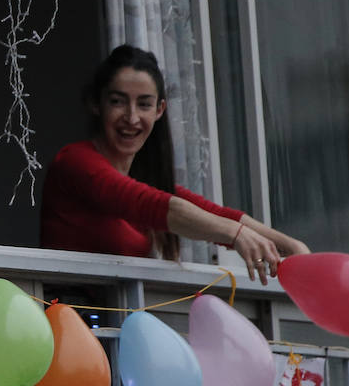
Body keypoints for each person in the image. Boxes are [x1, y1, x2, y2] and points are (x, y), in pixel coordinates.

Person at [40, 45, 307, 284]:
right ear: (96, 104)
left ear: (159, 110)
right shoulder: (75, 161)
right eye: (118, 102)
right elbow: (157, 206)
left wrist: (292, 247)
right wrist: (236, 235)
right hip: (72, 324)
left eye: (144, 104)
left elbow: (213, 212)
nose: (132, 117)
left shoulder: (145, 179)